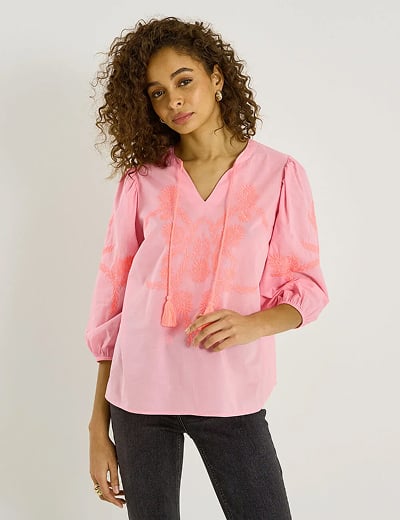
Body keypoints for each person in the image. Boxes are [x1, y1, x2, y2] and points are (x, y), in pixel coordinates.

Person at [85, 16, 329, 520]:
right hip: (139, 396)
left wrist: (252, 325)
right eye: (157, 93)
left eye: (184, 81)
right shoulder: (141, 180)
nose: (173, 101)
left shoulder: (279, 174)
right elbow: (113, 303)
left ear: (216, 78)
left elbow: (305, 286)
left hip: (229, 392)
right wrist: (97, 427)